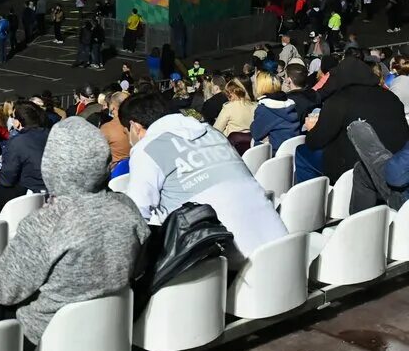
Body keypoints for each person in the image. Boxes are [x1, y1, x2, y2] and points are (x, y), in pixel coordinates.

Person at [0, 117, 149, 351]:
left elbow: (1, 290)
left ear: (53, 165)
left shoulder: (45, 224)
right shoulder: (126, 206)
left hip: (46, 337)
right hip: (109, 327)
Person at [120, 93, 287, 258]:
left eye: (127, 133)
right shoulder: (211, 132)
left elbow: (136, 215)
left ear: (134, 127)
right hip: (282, 247)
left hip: (229, 264)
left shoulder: (147, 149)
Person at [304, 56, 409, 182]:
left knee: (302, 153)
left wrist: (311, 129)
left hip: (355, 172)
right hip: (398, 169)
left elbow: (315, 142)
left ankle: (314, 198)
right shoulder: (391, 97)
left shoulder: (338, 101)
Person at [0, 100, 49, 213]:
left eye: (13, 116)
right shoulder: (50, 133)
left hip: (34, 193)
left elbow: (7, 179)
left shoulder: (17, 142)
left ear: (18, 122)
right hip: (51, 188)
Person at [250, 71, 301, 152]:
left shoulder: (265, 108)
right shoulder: (289, 104)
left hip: (274, 154)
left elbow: (256, 133)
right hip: (292, 151)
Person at [214, 78, 257, 153]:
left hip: (233, 149)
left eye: (227, 94)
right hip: (254, 149)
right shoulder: (255, 106)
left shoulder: (228, 108)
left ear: (231, 93)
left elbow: (216, 130)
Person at [100, 91, 132, 169]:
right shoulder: (137, 126)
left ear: (112, 107)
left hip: (115, 173)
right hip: (133, 168)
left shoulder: (107, 128)